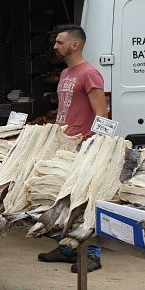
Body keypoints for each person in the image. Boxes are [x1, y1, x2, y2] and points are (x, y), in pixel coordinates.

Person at [38, 24, 107, 273]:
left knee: (83, 199)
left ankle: (92, 253)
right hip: (64, 143)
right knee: (63, 197)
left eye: (59, 42)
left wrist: (94, 145)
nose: (55, 47)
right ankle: (66, 247)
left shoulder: (90, 73)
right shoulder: (66, 74)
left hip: (83, 145)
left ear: (75, 45)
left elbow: (102, 113)